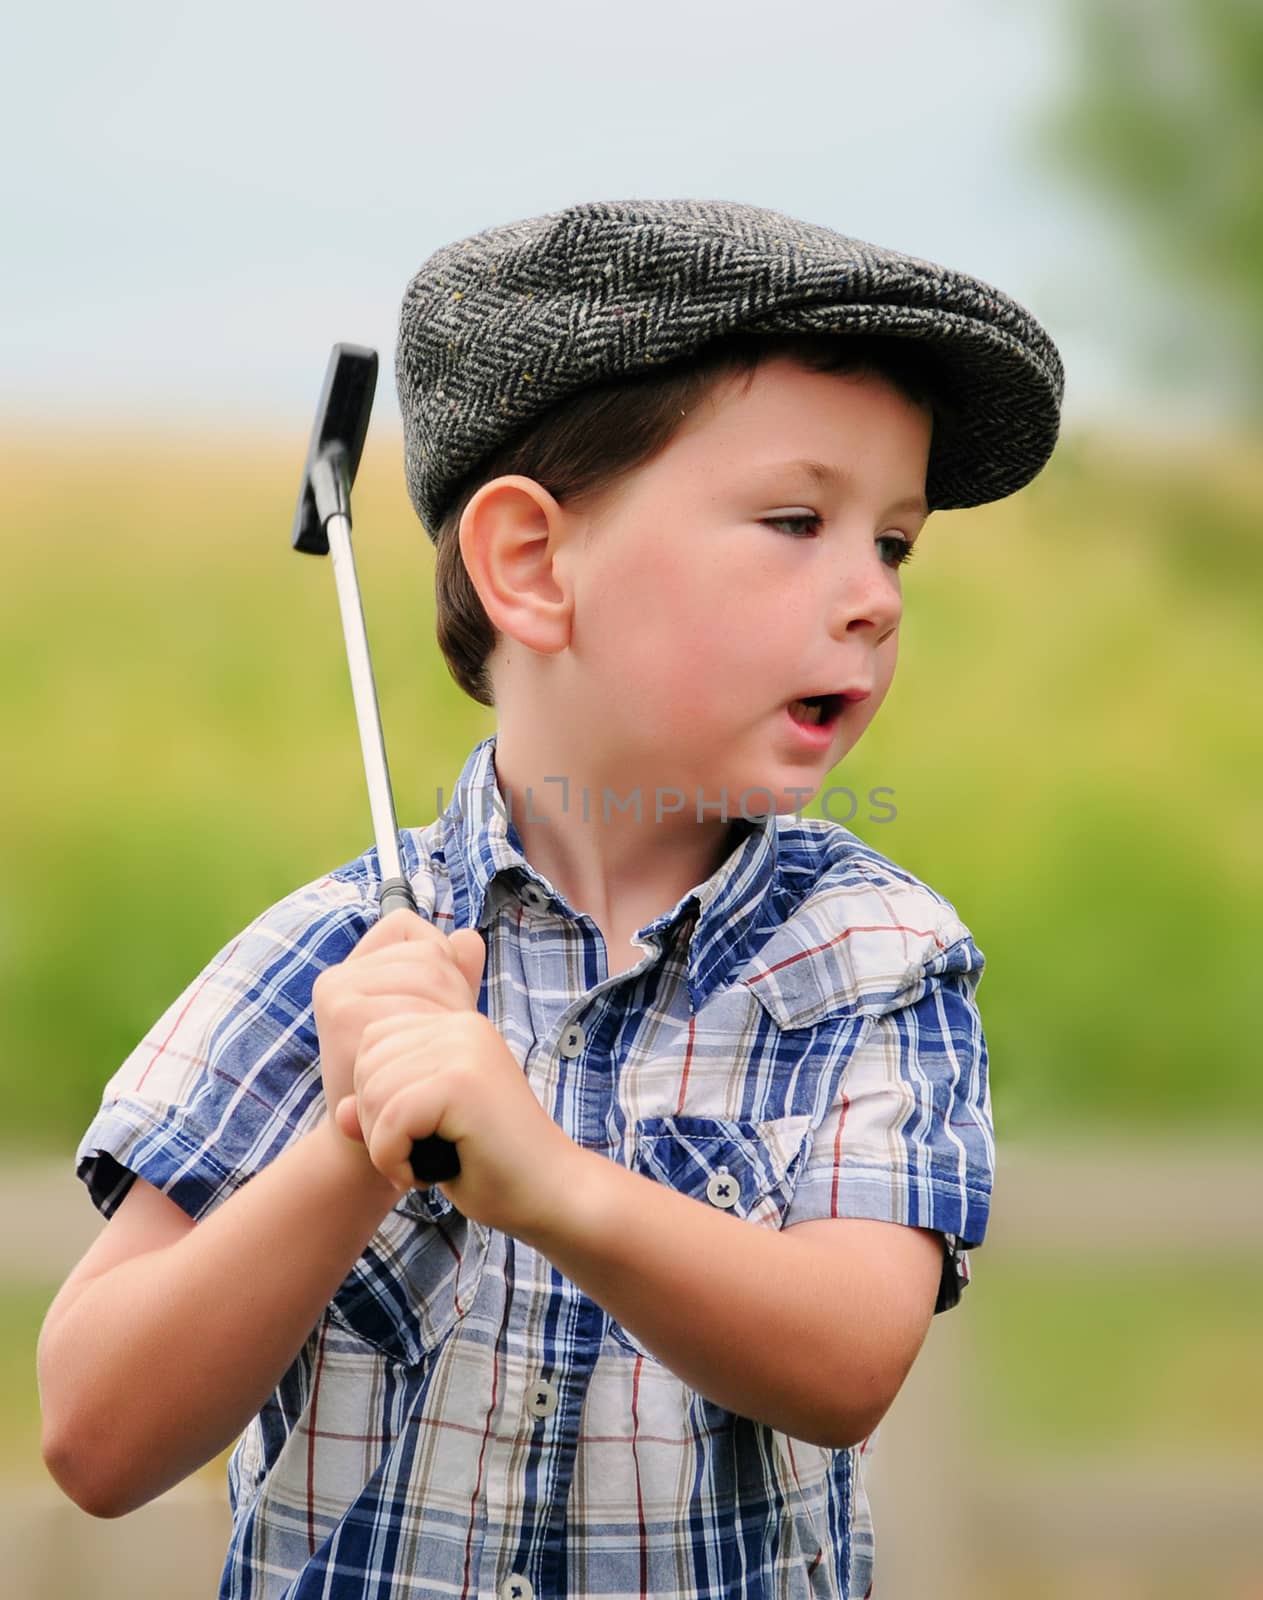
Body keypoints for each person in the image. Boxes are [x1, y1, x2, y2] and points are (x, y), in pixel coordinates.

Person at [37, 197, 1064, 1598]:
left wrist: (548, 1183)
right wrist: (357, 1138)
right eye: (793, 520)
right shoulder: (338, 958)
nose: (872, 598)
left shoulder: (873, 956)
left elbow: (845, 1361)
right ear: (529, 563)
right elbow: (95, 1436)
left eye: (889, 543)